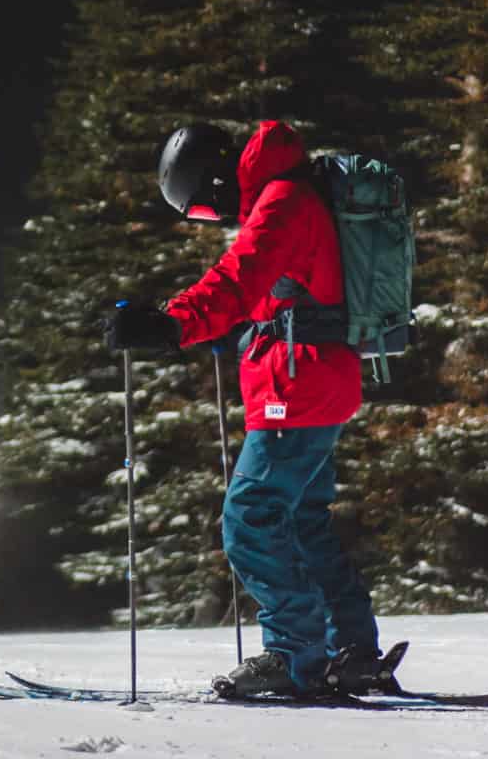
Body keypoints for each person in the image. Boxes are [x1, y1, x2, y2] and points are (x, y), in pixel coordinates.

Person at [102, 118, 387, 699]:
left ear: (213, 179)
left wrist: (171, 321)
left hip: (298, 386)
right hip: (314, 377)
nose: (218, 216)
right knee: (303, 521)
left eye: (204, 208)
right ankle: (351, 651)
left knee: (250, 516)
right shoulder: (294, 193)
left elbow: (239, 276)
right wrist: (223, 333)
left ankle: (295, 655)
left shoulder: (281, 199)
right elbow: (279, 296)